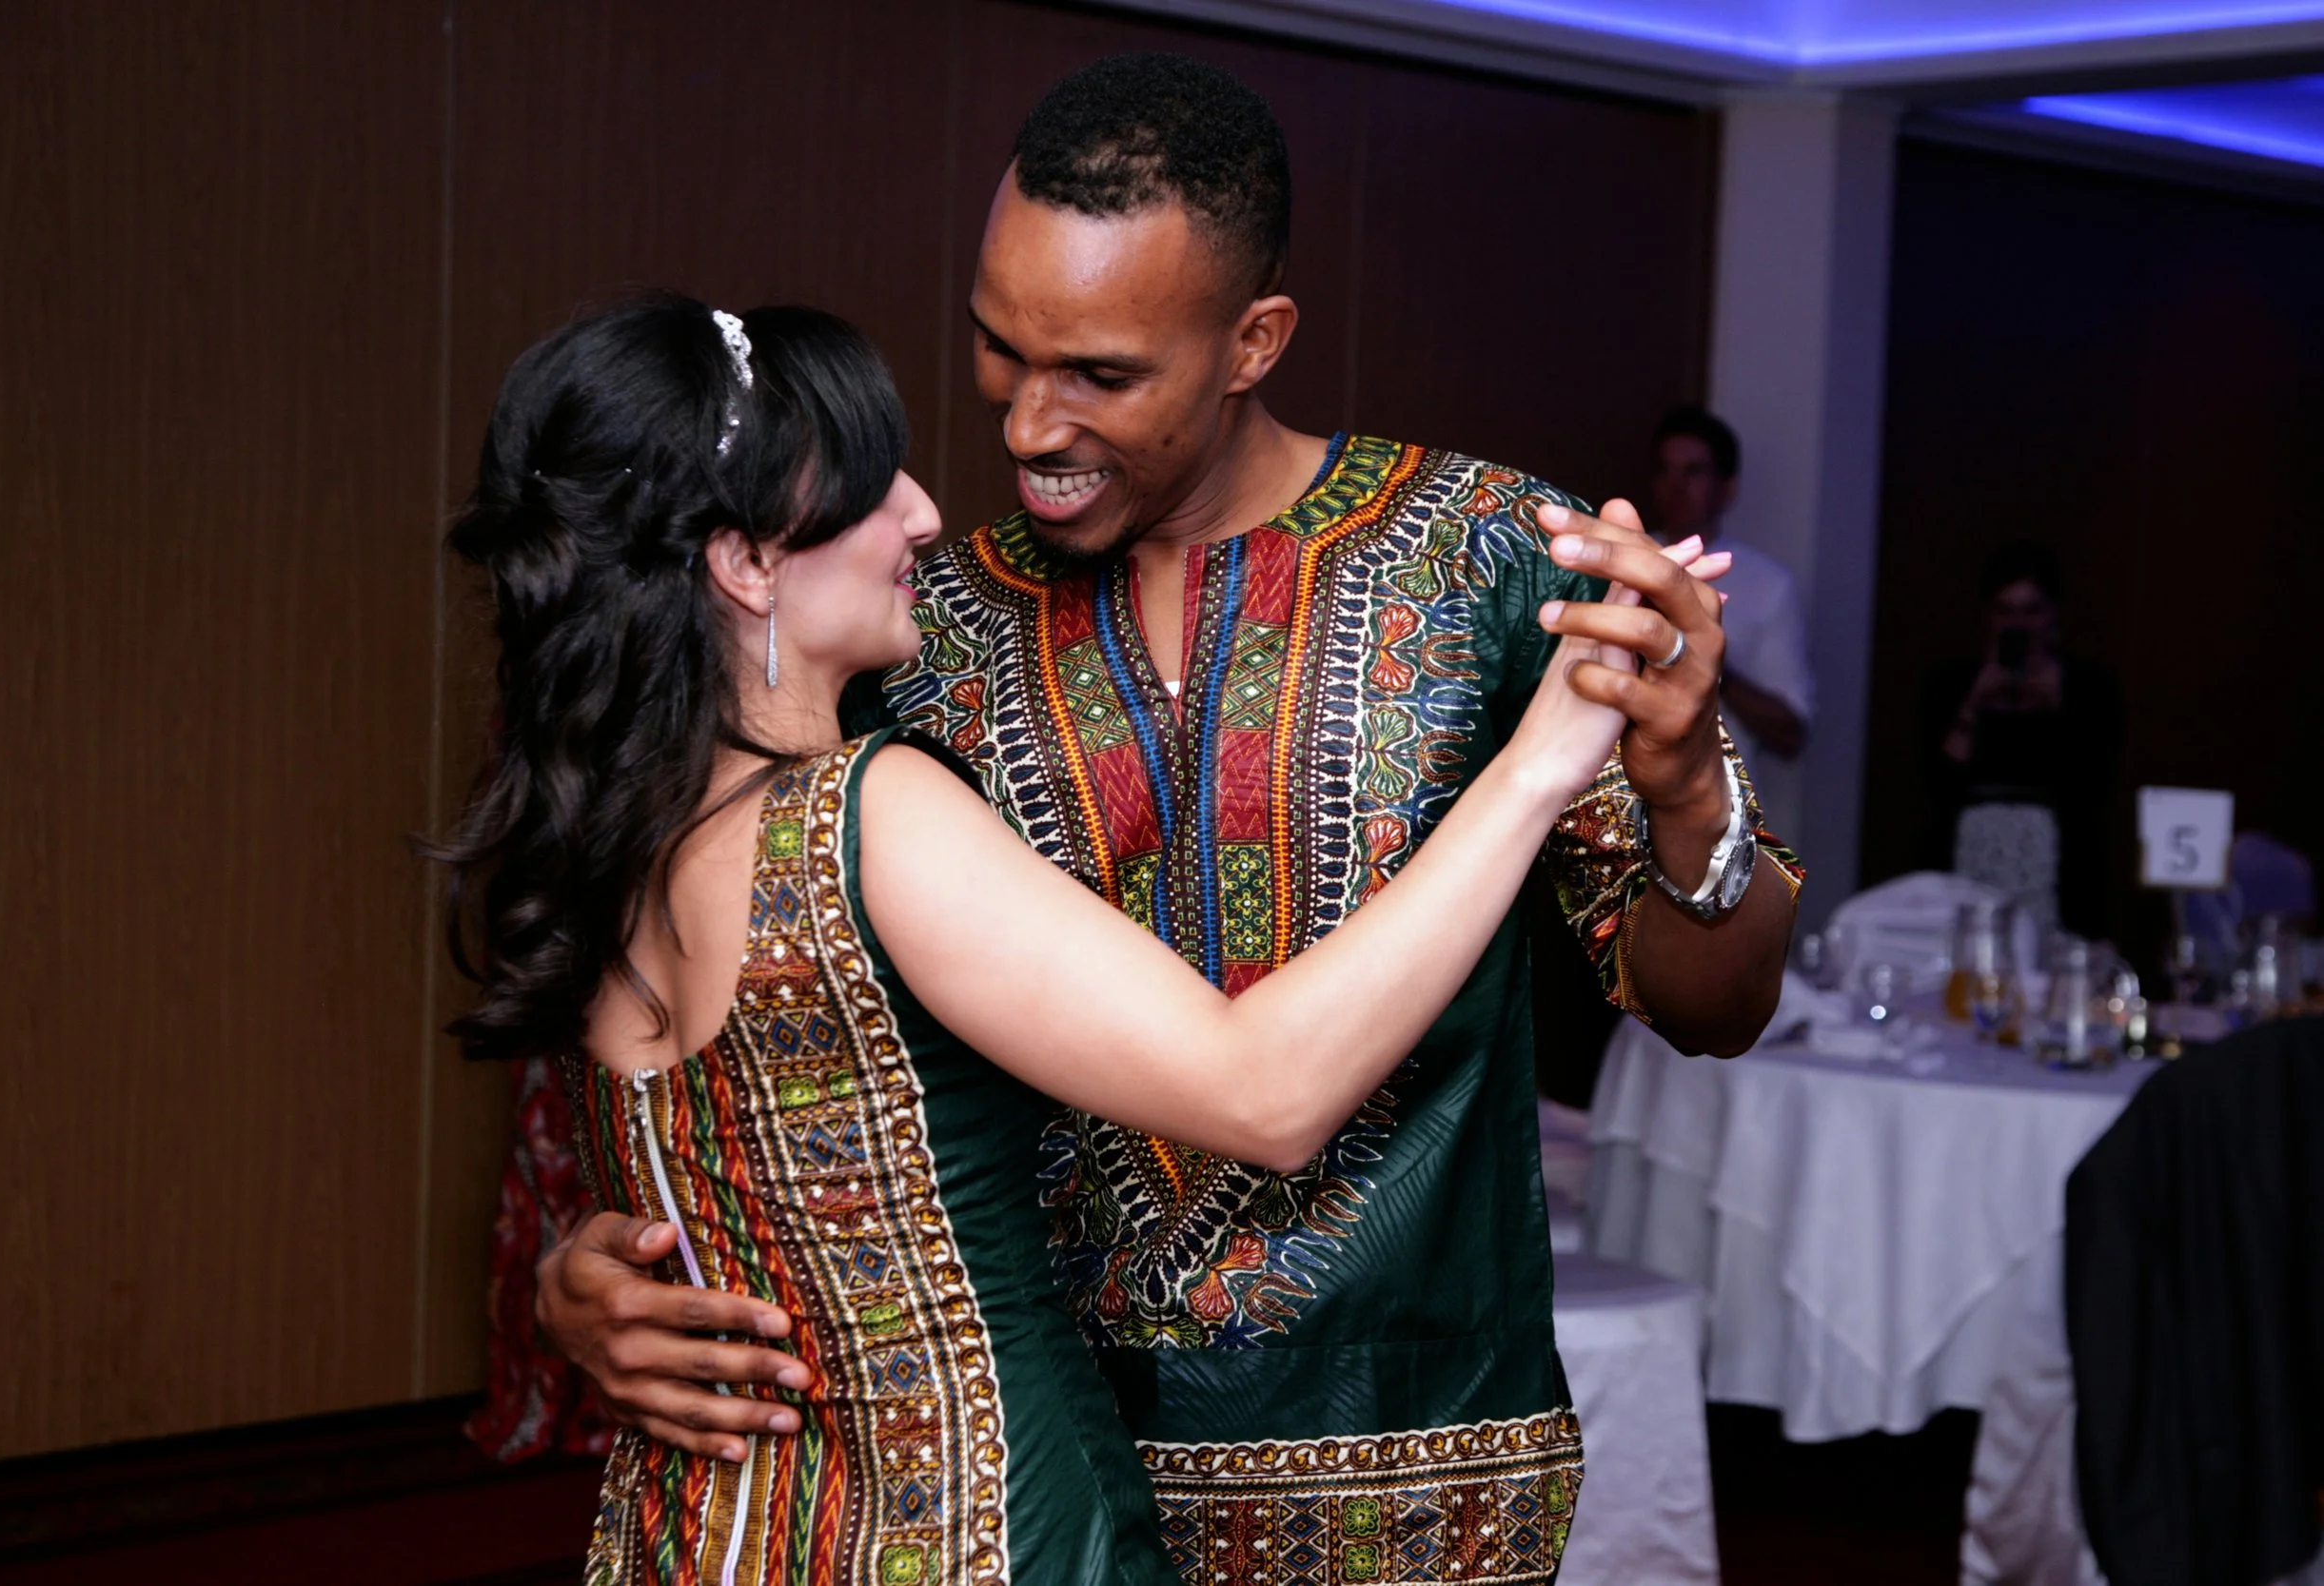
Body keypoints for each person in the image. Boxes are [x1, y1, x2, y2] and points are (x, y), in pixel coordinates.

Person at [536, 55, 1802, 1583]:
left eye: (1104, 374)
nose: (1025, 424)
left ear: (1253, 340)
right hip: (1014, 1487)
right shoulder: (902, 624)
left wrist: (1684, 796)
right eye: (1002, 351)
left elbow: (1716, 1007)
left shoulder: (1488, 561)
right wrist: (593, 1264)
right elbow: (753, 1023)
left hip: (1406, 1473)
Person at [1919, 538, 2122, 936]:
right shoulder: (1951, 685)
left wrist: (2058, 706)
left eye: (2032, 611)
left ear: (2053, 615)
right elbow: (1935, 779)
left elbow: (2096, 780)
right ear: (1987, 617)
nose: (2019, 625)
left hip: (2059, 865)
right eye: (2005, 611)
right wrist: (1974, 704)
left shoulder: (2090, 687)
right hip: (1968, 853)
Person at [1648, 403, 1814, 830]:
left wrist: (1707, 660)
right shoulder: (1626, 562)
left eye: (1694, 472)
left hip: (1714, 810)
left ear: (1727, 488)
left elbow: (1790, 733)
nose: (1676, 485)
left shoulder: (1766, 585)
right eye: (1666, 470)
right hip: (1618, 800)